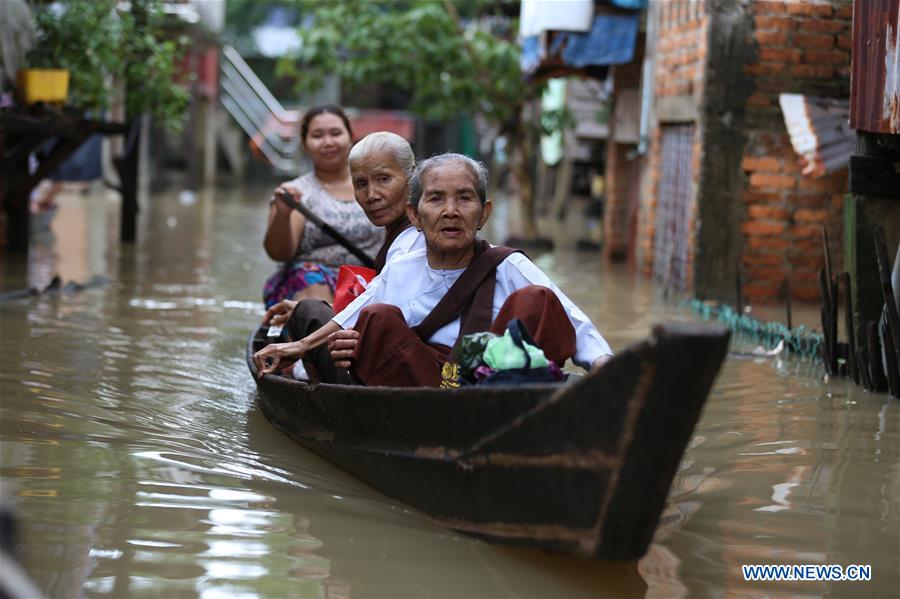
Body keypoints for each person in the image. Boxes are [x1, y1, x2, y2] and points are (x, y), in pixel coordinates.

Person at [253, 152, 613, 386]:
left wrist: (606, 368)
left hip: (492, 387)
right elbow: (353, 317)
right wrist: (302, 348)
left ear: (483, 213)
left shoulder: (509, 265)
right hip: (421, 385)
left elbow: (573, 321)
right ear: (415, 215)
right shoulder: (402, 266)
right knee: (377, 319)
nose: (451, 211)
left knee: (539, 300)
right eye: (436, 198)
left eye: (465, 198)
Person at [261, 131, 425, 382]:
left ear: (411, 177)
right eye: (360, 184)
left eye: (384, 179)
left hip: (394, 366)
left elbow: (384, 298)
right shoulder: (298, 189)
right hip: (382, 340)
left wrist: (302, 345)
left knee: (309, 312)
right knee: (309, 304)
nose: (372, 195)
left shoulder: (414, 237)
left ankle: (301, 373)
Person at [262, 104, 383, 308]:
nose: (328, 142)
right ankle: (318, 332)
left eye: (336, 133)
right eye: (318, 135)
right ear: (305, 144)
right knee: (314, 286)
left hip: (368, 279)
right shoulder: (294, 193)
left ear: (350, 136)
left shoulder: (378, 186)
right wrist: (282, 215)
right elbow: (280, 253)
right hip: (311, 285)